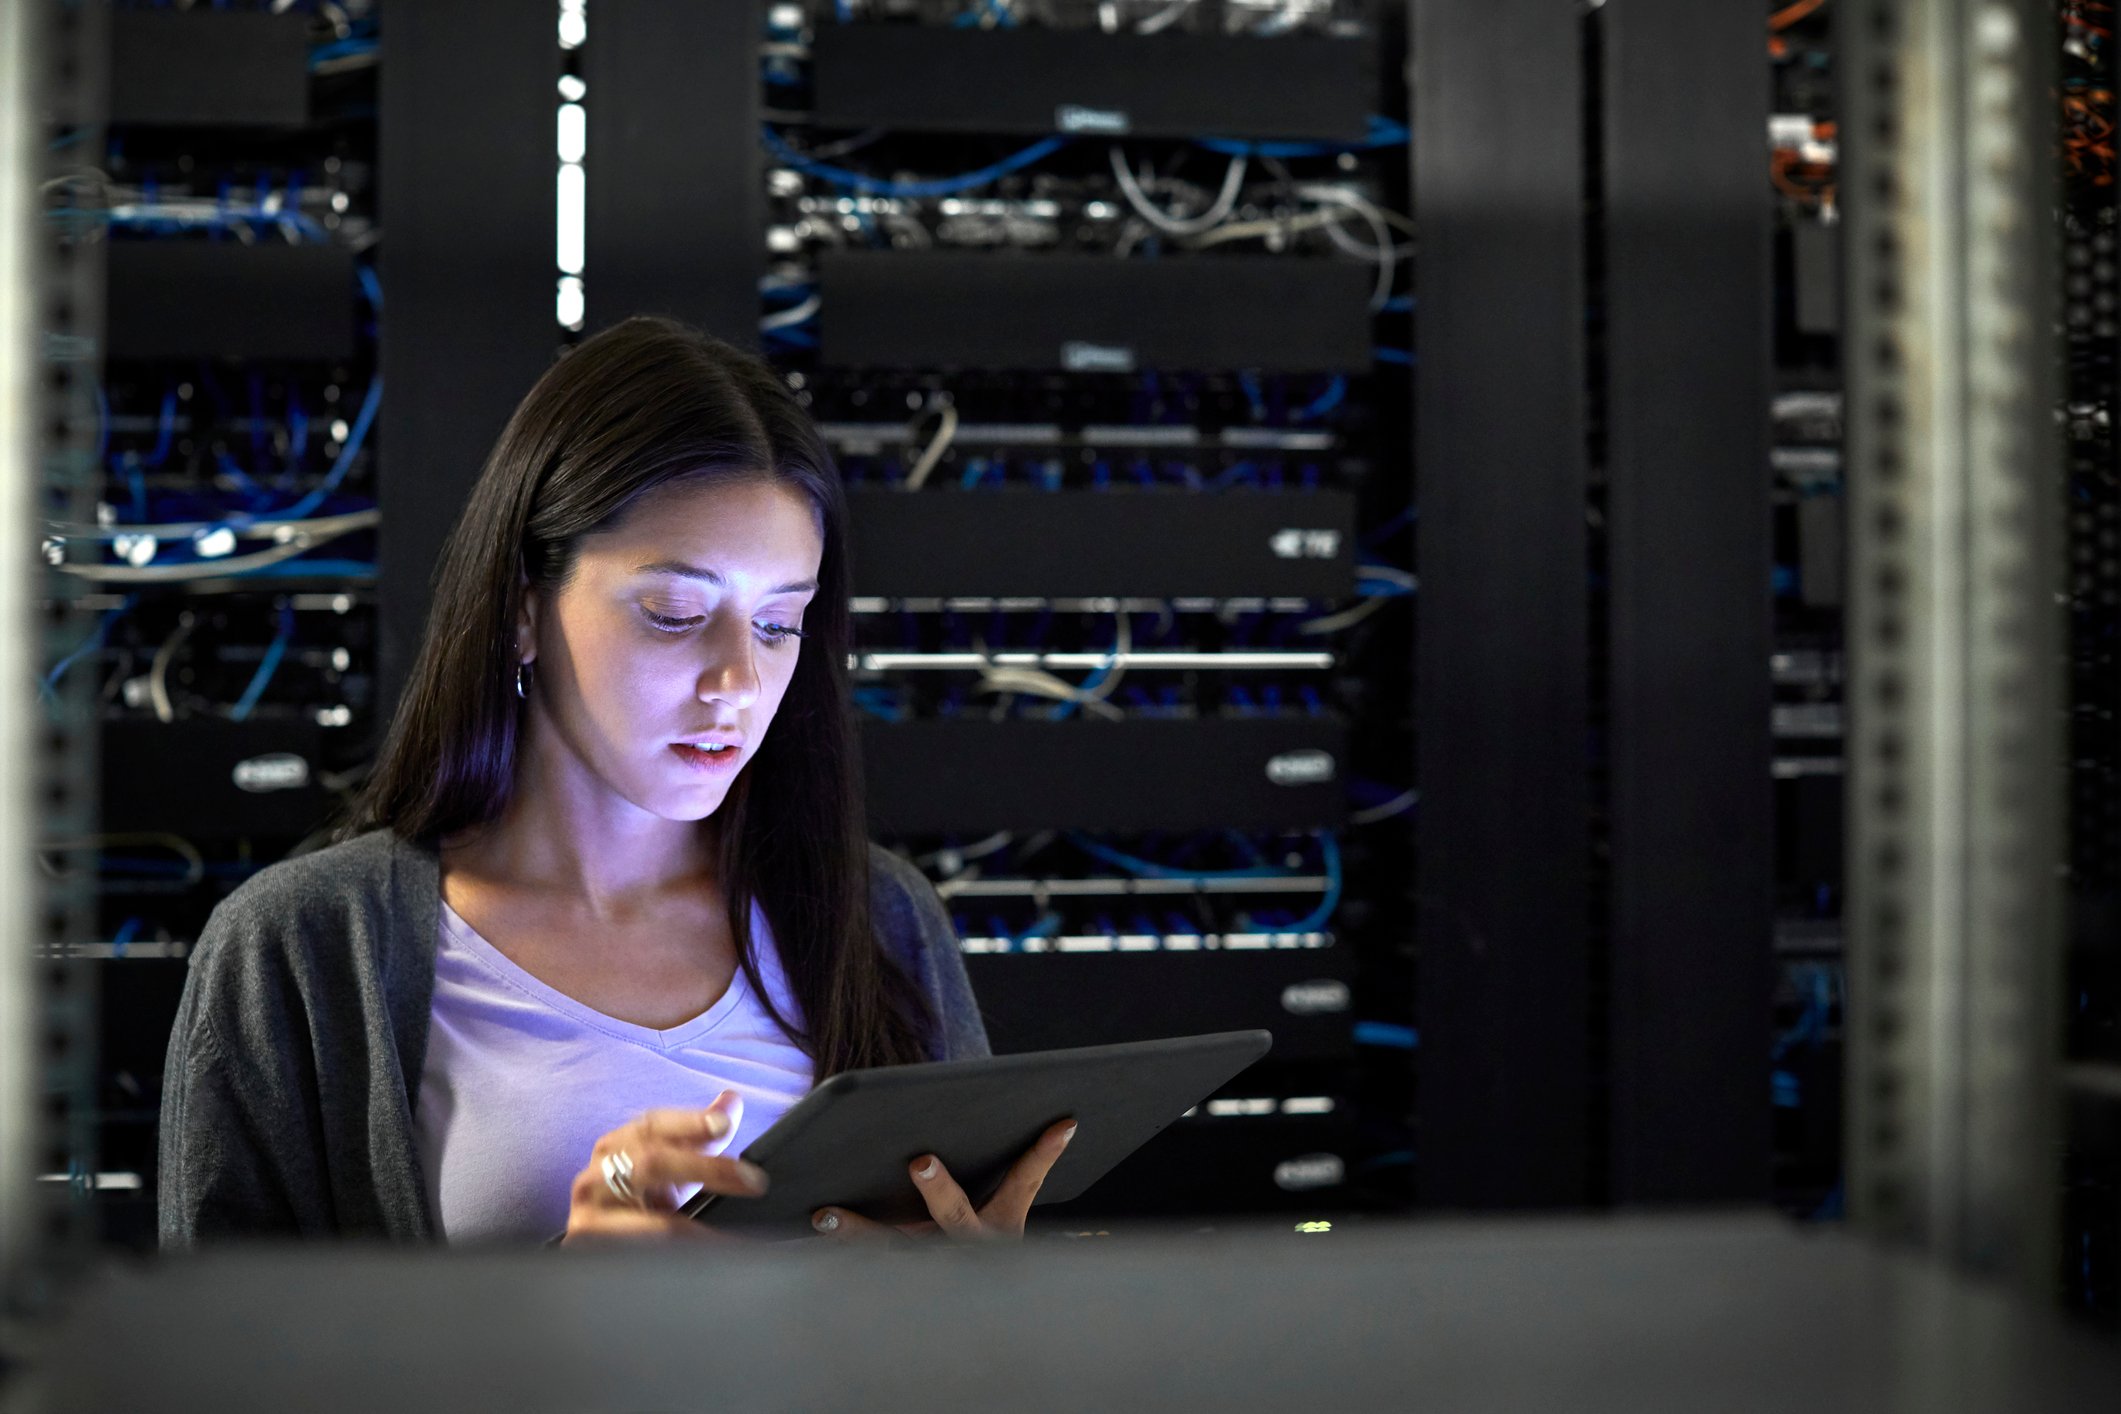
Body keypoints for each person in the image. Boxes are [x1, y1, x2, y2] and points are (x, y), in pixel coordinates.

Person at [157, 317, 1075, 1247]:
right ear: (522, 611)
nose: (737, 684)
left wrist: (976, 1307)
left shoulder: (882, 918)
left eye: (777, 624)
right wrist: (558, 1319)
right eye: (676, 613)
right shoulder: (301, 949)